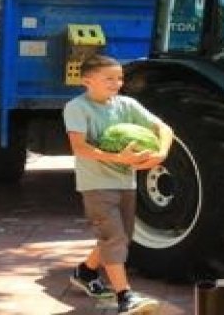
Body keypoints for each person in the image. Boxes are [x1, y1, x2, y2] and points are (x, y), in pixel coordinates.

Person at [63, 55, 169, 314]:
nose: (117, 83)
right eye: (109, 78)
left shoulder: (127, 104)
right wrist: (116, 157)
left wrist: (161, 154)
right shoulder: (77, 107)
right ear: (87, 81)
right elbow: (79, 147)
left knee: (121, 237)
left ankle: (86, 272)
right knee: (115, 238)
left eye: (119, 78)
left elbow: (163, 128)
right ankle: (125, 296)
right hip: (96, 184)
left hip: (126, 181)